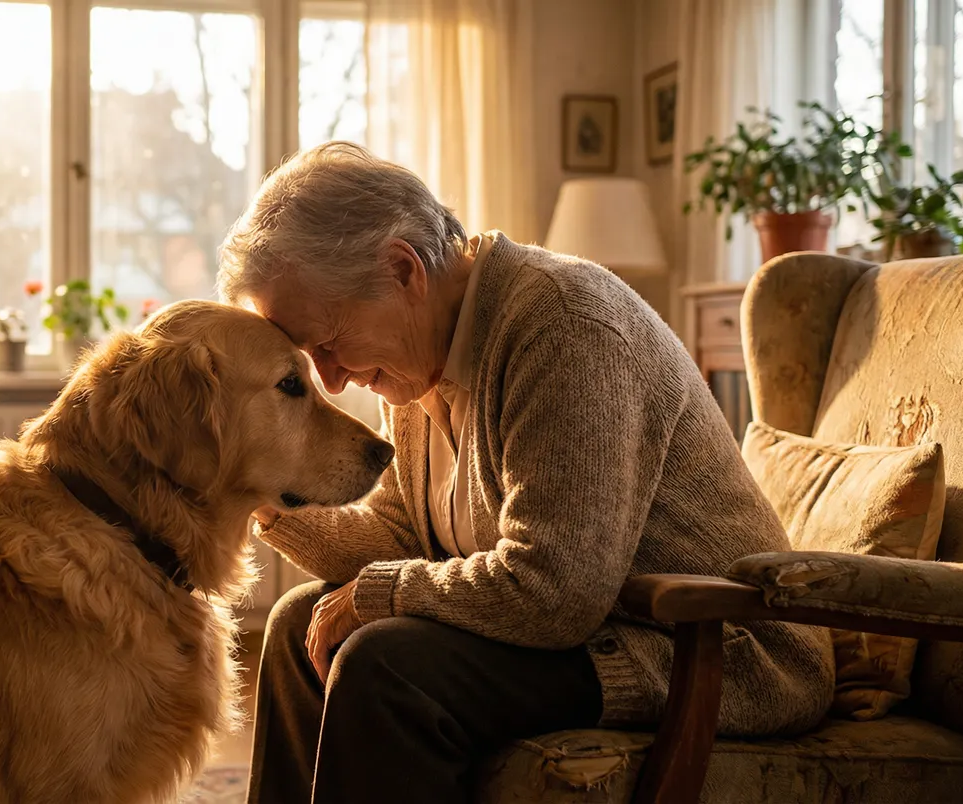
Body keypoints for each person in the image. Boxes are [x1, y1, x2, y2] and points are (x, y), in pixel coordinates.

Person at [215, 142, 834, 804]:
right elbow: (401, 537)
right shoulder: (419, 359)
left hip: (711, 647)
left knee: (384, 664)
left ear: (403, 270)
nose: (332, 379)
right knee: (294, 624)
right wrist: (254, 492)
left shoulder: (566, 325)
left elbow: (554, 590)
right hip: (596, 624)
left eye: (329, 346)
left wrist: (380, 596)